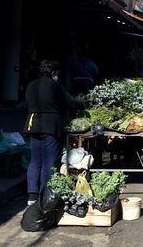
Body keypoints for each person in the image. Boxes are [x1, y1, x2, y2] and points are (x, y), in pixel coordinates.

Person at [24, 60, 85, 206]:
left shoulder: (31, 85)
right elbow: (69, 102)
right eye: (57, 73)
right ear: (53, 72)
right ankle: (45, 195)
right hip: (50, 126)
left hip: (33, 125)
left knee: (35, 160)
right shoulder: (54, 85)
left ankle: (32, 197)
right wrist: (81, 104)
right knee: (49, 162)